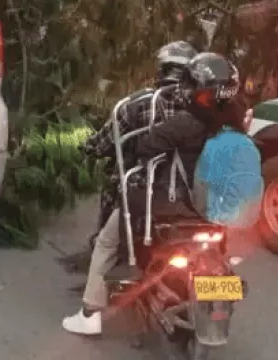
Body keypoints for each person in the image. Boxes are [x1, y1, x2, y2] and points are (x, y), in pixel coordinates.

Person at [62, 52, 240, 337]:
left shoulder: (175, 118)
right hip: (217, 208)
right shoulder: (235, 122)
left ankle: (90, 313)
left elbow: (144, 147)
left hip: (174, 203)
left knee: (107, 241)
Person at [61, 41, 197, 273]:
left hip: (144, 191)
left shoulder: (137, 105)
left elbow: (103, 143)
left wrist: (85, 147)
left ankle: (93, 302)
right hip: (194, 195)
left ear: (162, 70)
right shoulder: (205, 107)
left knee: (106, 240)